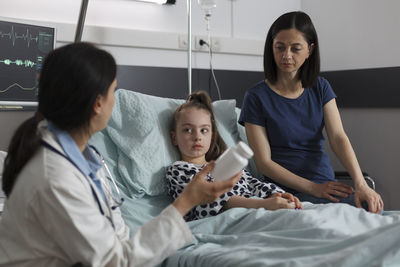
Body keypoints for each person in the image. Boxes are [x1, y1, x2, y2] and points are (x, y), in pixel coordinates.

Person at [0, 42, 242, 267]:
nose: (115, 100)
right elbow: (116, 262)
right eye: (113, 91)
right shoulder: (55, 177)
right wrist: (187, 201)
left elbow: (117, 240)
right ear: (97, 104)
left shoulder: (82, 158)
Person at [238, 11, 384, 214]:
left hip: (326, 186)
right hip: (285, 193)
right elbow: (264, 163)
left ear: (310, 50)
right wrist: (313, 188)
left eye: (295, 48)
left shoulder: (321, 88)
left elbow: (338, 138)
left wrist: (361, 184)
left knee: (373, 212)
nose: (286, 55)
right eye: (279, 47)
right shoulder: (255, 97)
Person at [166, 91, 302, 221]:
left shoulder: (226, 162)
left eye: (204, 130)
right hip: (229, 218)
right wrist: (264, 205)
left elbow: (253, 183)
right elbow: (209, 201)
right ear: (174, 138)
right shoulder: (177, 170)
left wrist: (276, 195)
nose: (197, 137)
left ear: (212, 136)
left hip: (259, 208)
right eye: (188, 130)